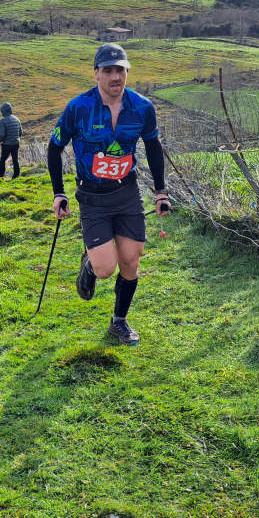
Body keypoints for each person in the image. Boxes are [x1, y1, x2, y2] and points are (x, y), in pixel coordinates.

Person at [49, 44, 170, 345]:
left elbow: (153, 148)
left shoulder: (142, 107)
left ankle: (119, 322)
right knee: (106, 269)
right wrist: (58, 193)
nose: (116, 76)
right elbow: (54, 147)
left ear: (127, 72)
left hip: (127, 192)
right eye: (109, 70)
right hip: (92, 196)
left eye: (121, 70)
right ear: (96, 74)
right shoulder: (78, 108)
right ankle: (90, 262)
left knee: (131, 260)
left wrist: (160, 192)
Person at [0, 102, 22, 179]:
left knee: (3, 159)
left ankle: (1, 174)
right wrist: (16, 138)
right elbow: (21, 132)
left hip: (7, 144)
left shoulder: (3, 121)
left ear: (3, 111)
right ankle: (16, 174)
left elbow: (2, 134)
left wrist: (0, 140)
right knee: (15, 159)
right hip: (16, 143)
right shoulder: (17, 119)